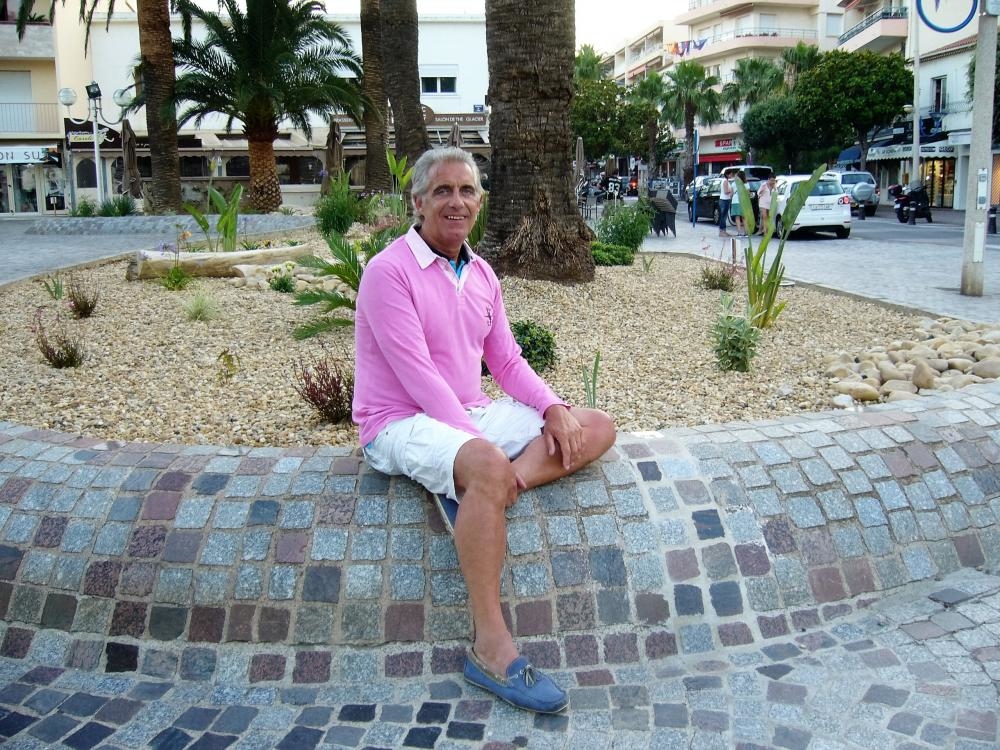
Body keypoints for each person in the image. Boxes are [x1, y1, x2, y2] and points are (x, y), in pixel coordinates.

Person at [353, 147, 617, 715]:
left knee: (593, 425)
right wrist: (477, 448)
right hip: (398, 421)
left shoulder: (481, 273)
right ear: (418, 202)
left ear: (479, 202)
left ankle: (502, 486)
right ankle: (491, 649)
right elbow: (417, 377)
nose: (456, 202)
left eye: (467, 190)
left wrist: (552, 408)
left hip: (468, 412)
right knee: (485, 464)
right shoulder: (387, 272)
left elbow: (507, 362)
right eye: (442, 191)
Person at [730, 170, 746, 237]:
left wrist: (731, 198)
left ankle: (739, 232)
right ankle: (745, 232)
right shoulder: (746, 184)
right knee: (744, 217)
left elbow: (731, 194)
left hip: (735, 201)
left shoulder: (734, 184)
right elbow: (748, 193)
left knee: (737, 217)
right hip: (744, 201)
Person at [718, 168, 734, 236]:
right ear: (727, 174)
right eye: (730, 174)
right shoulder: (725, 181)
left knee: (724, 216)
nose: (731, 175)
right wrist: (732, 190)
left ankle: (723, 230)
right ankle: (722, 231)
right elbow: (726, 191)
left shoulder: (726, 181)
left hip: (726, 199)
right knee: (723, 216)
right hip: (724, 200)